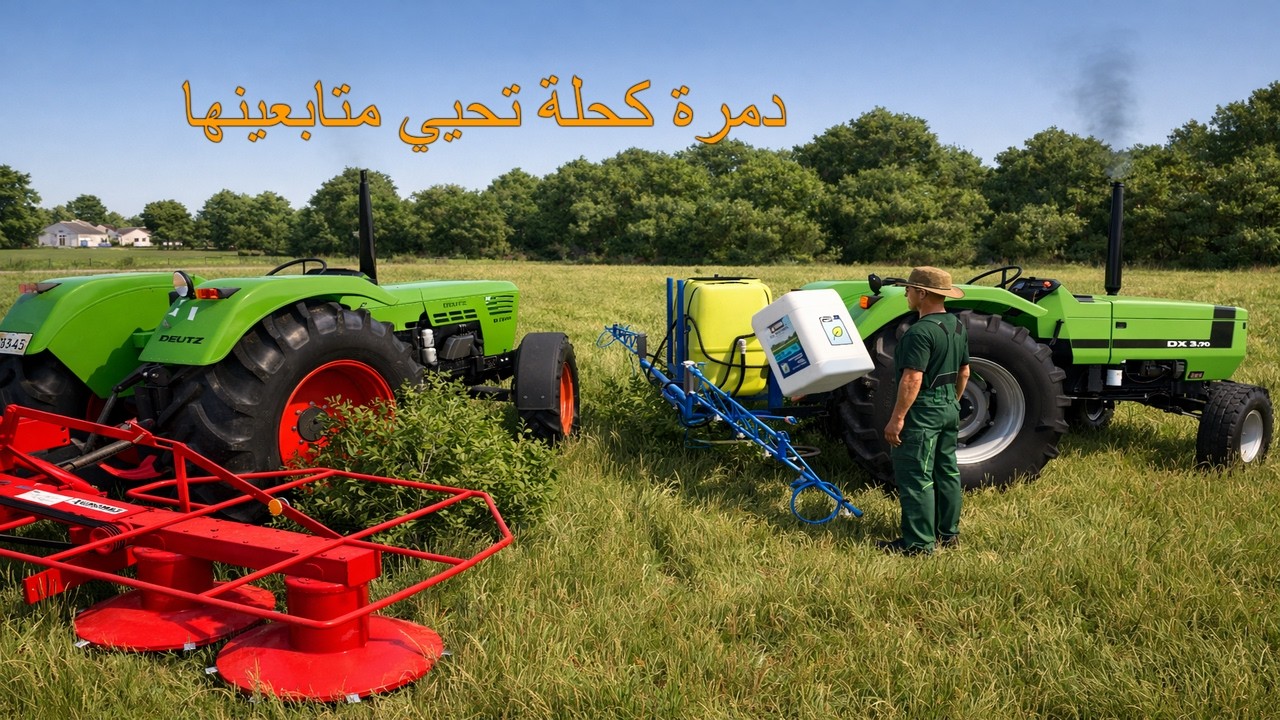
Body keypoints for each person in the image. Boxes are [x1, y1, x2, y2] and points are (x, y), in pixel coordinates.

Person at [878, 266, 970, 556]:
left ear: (921, 293)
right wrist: (952, 402)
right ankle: (947, 534)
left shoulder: (918, 332)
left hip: (923, 411)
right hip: (949, 406)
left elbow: (912, 379)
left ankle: (918, 544)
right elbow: (965, 372)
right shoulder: (956, 326)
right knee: (946, 471)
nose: (905, 294)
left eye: (908, 289)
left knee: (917, 475)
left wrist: (897, 418)